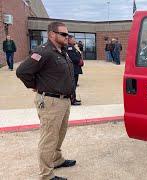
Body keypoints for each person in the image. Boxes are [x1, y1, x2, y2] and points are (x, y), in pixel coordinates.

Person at [16, 22, 76, 180]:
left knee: (59, 134)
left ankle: (56, 160)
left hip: (64, 100)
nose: (66, 37)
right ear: (51, 34)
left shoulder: (62, 51)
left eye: (67, 34)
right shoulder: (44, 51)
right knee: (49, 138)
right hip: (51, 102)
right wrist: (35, 85)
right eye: (63, 34)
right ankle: (46, 175)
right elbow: (22, 71)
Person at [67, 35, 82, 106]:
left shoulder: (73, 47)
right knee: (73, 85)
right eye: (73, 39)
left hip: (76, 68)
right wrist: (79, 61)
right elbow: (72, 58)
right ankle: (72, 100)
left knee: (74, 85)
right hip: (73, 69)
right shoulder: (69, 47)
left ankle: (74, 98)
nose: (75, 40)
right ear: (69, 40)